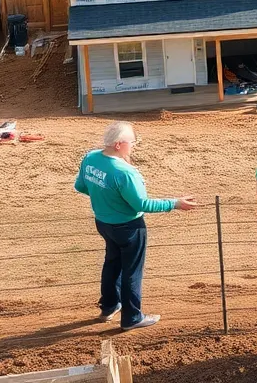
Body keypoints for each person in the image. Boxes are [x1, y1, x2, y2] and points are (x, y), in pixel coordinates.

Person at [73, 121, 197, 330]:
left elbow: (81, 186)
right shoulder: (125, 172)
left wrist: (104, 200)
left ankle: (109, 306)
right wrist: (175, 203)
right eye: (133, 142)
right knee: (132, 271)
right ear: (120, 144)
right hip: (129, 227)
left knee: (112, 263)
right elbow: (142, 204)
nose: (134, 146)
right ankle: (132, 318)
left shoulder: (91, 158)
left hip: (103, 223)